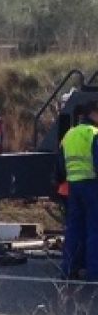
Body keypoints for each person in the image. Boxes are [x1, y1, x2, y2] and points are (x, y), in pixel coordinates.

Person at [60, 100, 98, 281]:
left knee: (74, 229)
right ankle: (94, 272)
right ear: (94, 114)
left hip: (73, 187)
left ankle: (68, 269)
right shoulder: (94, 134)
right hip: (92, 185)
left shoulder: (69, 134)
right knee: (94, 229)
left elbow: (60, 165)